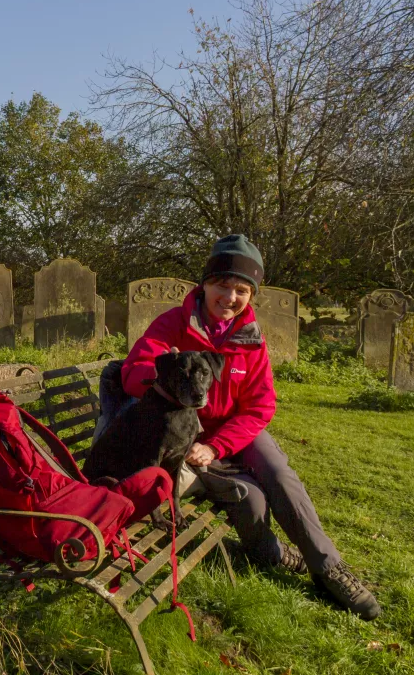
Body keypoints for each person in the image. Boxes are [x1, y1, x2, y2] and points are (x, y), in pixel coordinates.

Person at [120, 234, 381, 620]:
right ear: (205, 285)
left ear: (251, 295)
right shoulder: (172, 324)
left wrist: (217, 446)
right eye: (222, 285)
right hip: (183, 431)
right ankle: (270, 553)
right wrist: (162, 376)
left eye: (241, 290)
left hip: (233, 432)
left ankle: (329, 569)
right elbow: (133, 372)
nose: (230, 297)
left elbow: (260, 406)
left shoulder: (251, 339)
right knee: (251, 498)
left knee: (279, 473)